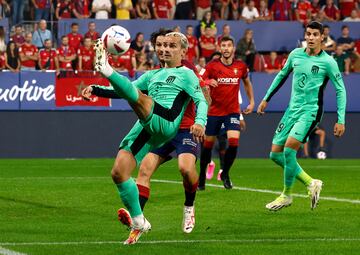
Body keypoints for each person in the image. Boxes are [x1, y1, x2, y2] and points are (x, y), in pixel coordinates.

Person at [84, 29, 211, 235]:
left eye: (171, 46)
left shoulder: (187, 74)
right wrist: (95, 90)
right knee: (119, 172)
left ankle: (106, 69)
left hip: (167, 121)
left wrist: (200, 122)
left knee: (141, 100)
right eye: (161, 45)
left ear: (183, 51)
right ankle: (138, 220)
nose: (164, 49)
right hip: (147, 125)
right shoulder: (152, 75)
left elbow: (201, 101)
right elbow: (125, 89)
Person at [257, 21, 346, 211]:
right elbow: (281, 75)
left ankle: (286, 195)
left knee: (289, 151)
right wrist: (266, 99)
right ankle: (310, 182)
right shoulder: (295, 54)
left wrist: (341, 119)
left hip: (310, 111)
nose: (311, 38)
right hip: (292, 109)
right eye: (308, 34)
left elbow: (341, 90)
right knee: (275, 154)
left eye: (315, 34)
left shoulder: (328, 62)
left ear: (322, 37)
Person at [198, 36, 255, 190]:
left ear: (233, 48)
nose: (226, 49)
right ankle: (202, 176)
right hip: (214, 113)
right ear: (220, 48)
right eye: (223, 46)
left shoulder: (241, 66)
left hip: (232, 112)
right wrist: (209, 82)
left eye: (229, 46)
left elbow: (247, 82)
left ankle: (225, 173)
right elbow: (199, 80)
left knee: (234, 144)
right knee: (207, 147)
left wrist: (252, 102)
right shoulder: (212, 66)